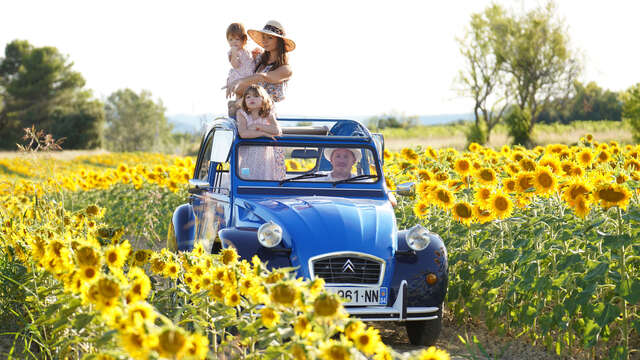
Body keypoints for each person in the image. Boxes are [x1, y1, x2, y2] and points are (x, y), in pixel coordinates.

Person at [227, 20, 295, 114]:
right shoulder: (258, 60)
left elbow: (263, 77)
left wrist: (239, 82)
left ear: (279, 41)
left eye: (270, 38)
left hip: (265, 115)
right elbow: (242, 74)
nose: (265, 40)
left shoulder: (286, 69)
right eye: (263, 37)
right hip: (247, 111)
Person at [236, 84, 285, 180]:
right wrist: (263, 133)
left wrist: (257, 126)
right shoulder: (242, 114)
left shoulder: (267, 113)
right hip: (247, 155)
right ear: (244, 100)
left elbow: (277, 130)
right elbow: (243, 133)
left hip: (264, 157)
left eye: (256, 96)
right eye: (248, 97)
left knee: (264, 177)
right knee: (245, 177)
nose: (251, 99)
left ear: (263, 99)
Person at [224, 23, 255, 93]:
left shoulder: (245, 50)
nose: (234, 42)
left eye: (237, 39)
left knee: (248, 96)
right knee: (241, 94)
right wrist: (234, 54)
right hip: (240, 77)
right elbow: (235, 65)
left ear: (244, 40)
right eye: (230, 39)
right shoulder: (232, 52)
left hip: (249, 77)